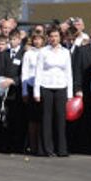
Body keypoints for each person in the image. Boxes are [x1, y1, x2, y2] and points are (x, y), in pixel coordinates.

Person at [34, 27, 73, 157]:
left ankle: (61, 149)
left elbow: (69, 73)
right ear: (48, 38)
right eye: (51, 36)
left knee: (61, 119)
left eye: (56, 36)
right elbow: (38, 71)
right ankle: (47, 149)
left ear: (60, 37)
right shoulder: (43, 52)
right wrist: (36, 92)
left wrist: (69, 93)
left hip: (61, 87)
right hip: (46, 87)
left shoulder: (65, 52)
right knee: (47, 118)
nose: (54, 39)